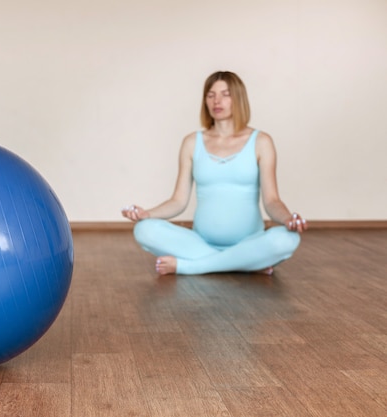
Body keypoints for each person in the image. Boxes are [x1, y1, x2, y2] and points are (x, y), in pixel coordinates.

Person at [122, 71, 307, 276]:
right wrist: (147, 214)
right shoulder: (192, 142)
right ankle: (245, 263)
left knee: (289, 238)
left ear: (239, 99)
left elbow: (272, 201)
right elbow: (178, 201)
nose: (216, 101)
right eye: (210, 95)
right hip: (201, 242)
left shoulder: (262, 142)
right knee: (143, 229)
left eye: (225, 94)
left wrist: (288, 219)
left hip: (249, 242)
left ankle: (191, 267)